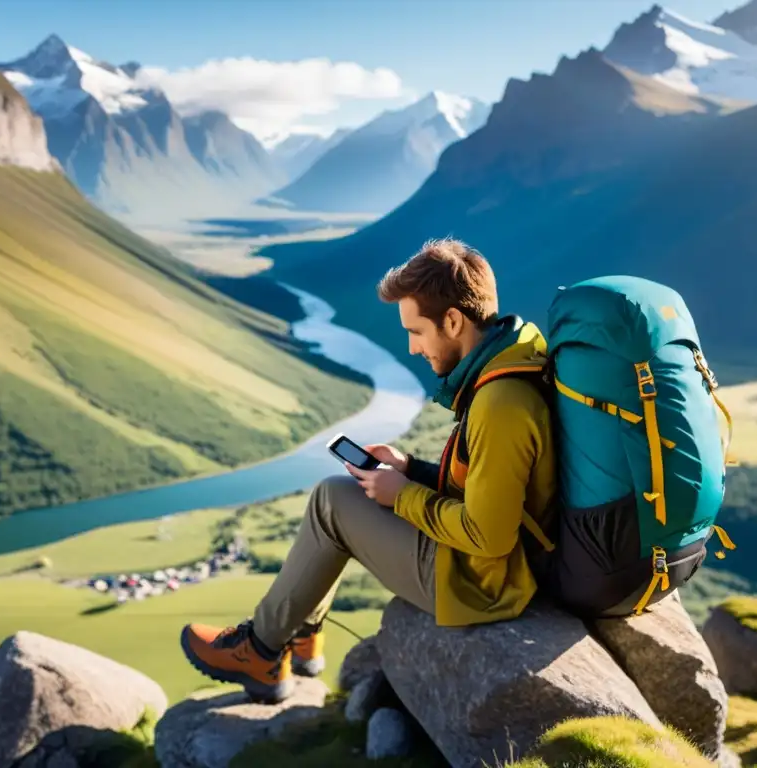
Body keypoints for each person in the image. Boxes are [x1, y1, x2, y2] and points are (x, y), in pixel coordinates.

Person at [179, 237, 559, 703]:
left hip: (482, 585)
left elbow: (489, 536)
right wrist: (412, 470)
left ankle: (260, 650)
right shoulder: (507, 366)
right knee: (342, 494)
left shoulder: (501, 403)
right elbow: (484, 484)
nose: (413, 347)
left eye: (417, 331)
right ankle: (297, 635)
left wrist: (401, 494)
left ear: (454, 321)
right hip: (492, 568)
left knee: (332, 501)